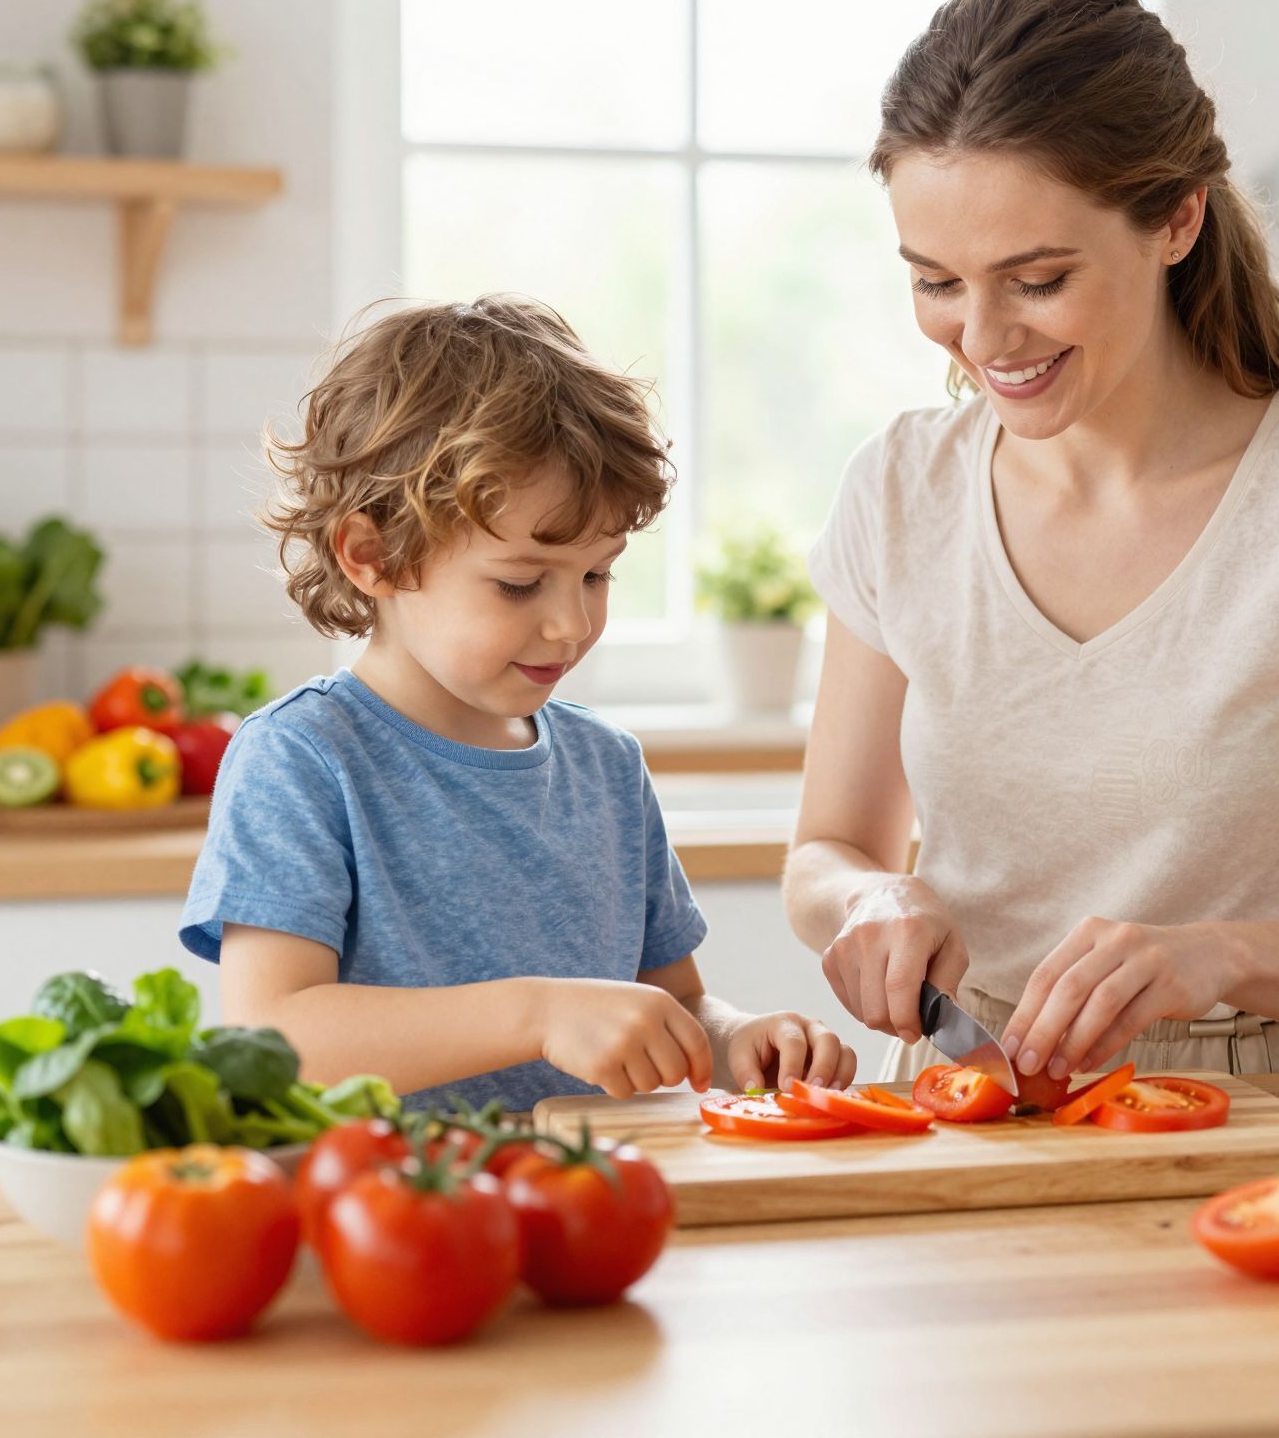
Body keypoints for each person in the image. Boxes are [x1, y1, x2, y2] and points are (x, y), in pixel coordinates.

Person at [786, 0, 1279, 1087]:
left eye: (1035, 279)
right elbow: (825, 850)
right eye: (934, 281)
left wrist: (1216, 956)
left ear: (1176, 220)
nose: (980, 338)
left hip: (1255, 1115)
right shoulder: (898, 491)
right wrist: (867, 898)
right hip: (964, 1092)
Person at [181, 295, 855, 1110]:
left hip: (590, 1203)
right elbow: (278, 1042)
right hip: (391, 1215)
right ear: (372, 556)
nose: (572, 623)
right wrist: (536, 1013)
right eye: (520, 583)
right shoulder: (303, 758)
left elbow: (669, 1006)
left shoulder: (607, 767)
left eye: (597, 574)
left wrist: (737, 1036)